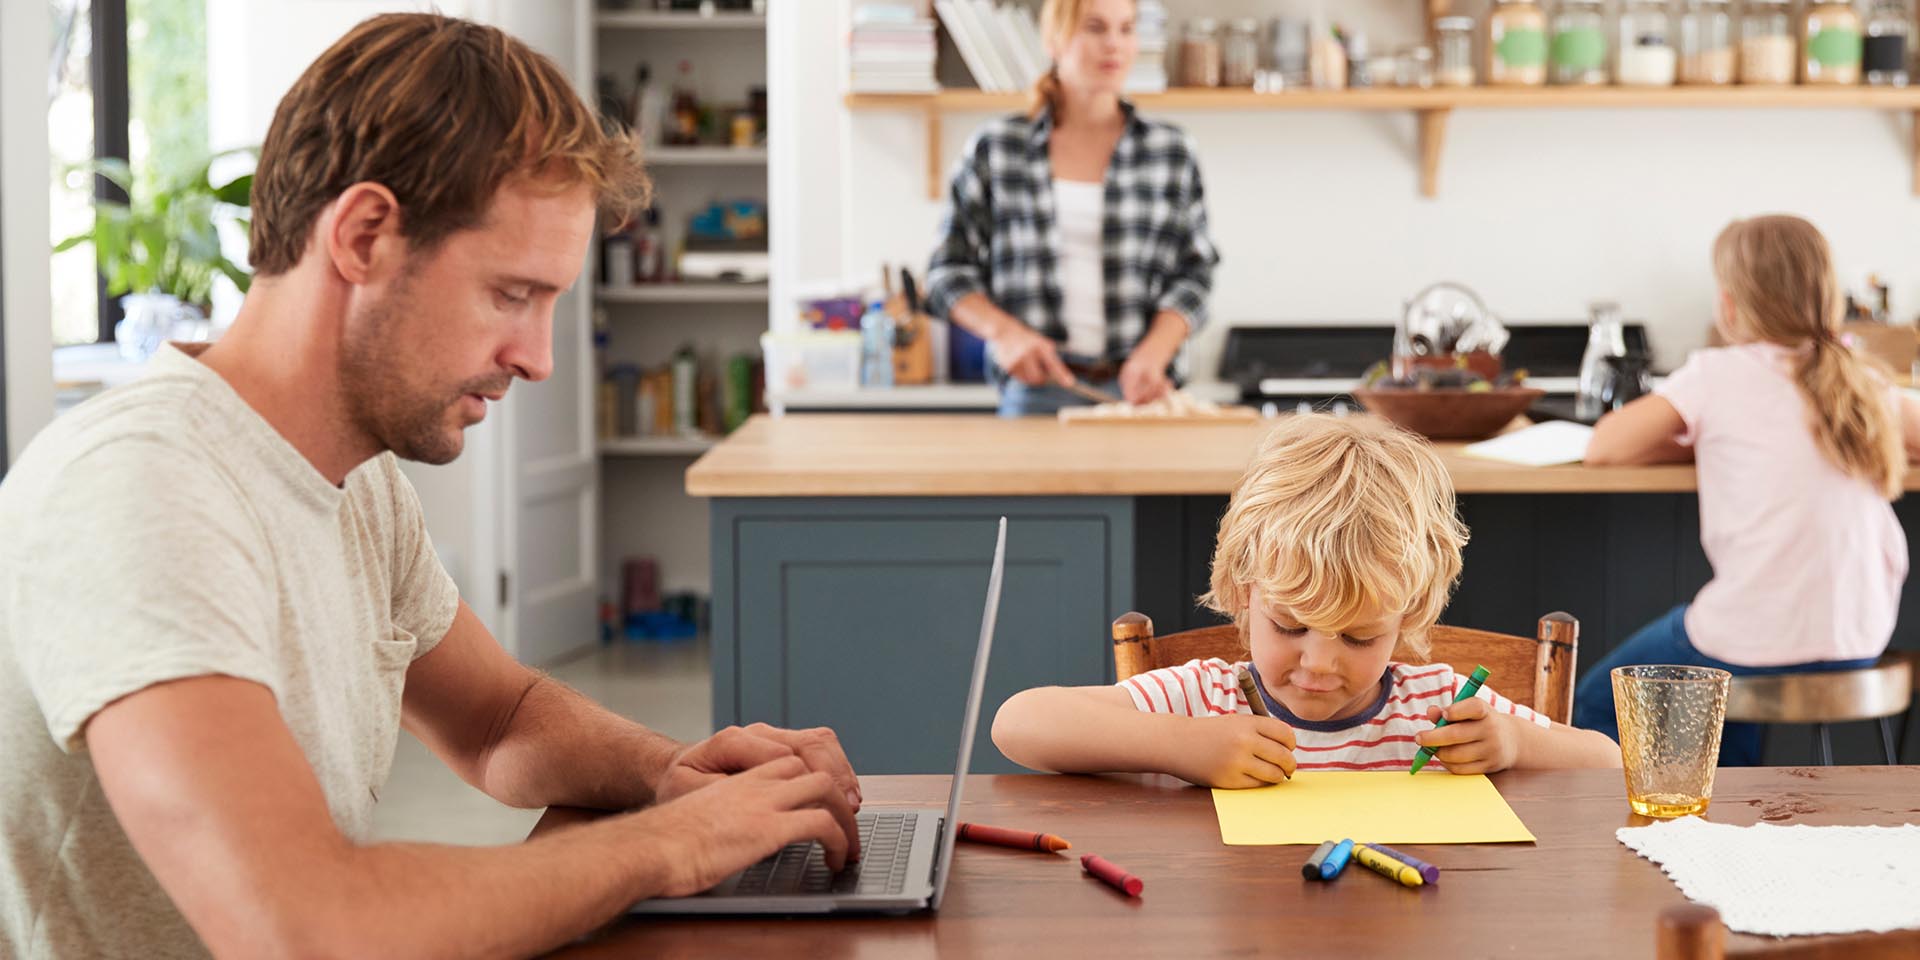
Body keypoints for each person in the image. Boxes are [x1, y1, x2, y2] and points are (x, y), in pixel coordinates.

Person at [0, 14, 864, 959]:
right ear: (366, 235)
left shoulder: (353, 478)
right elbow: (303, 923)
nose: (536, 360)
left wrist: (679, 775)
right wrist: (674, 844)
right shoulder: (140, 490)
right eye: (511, 294)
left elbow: (499, 720)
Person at [991, 416, 1621, 785]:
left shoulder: (1435, 708)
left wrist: (1514, 743)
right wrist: (1183, 749)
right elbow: (1018, 722)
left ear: (1409, 617)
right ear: (1244, 591)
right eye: (1290, 626)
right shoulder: (1207, 699)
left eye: (1358, 637)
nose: (1318, 664)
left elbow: (1606, 762)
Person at [1578, 214, 1920, 765]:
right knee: (1719, 666)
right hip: (1859, 641)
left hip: (1751, 639)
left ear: (1731, 303)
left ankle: (1716, 804)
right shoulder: (1862, 383)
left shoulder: (1716, 374)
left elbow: (1606, 447)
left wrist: (1703, 440)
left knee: (1598, 701)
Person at [925, 0, 1219, 417]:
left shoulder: (1170, 151)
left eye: (1126, 29)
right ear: (1053, 39)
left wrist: (1154, 353)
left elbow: (1196, 273)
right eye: (1096, 28)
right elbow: (945, 273)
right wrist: (1005, 334)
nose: (1114, 45)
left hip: (1142, 395)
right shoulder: (997, 149)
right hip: (1037, 390)